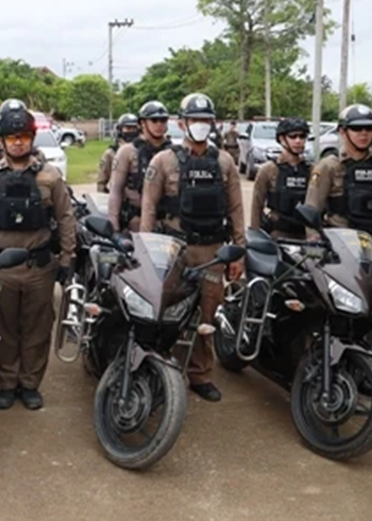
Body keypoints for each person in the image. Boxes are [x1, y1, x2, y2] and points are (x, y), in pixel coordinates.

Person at [0, 103, 75, 410]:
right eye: (13, 137)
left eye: (24, 136)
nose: (19, 142)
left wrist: (67, 260)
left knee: (37, 329)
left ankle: (30, 384)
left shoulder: (50, 177)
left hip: (38, 268)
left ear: (32, 138)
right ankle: (7, 382)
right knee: (2, 328)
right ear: (3, 140)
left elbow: (66, 219)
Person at [140, 93, 245, 402]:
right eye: (194, 120)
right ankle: (162, 367)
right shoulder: (163, 161)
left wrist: (239, 252)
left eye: (205, 120)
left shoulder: (225, 162)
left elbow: (237, 210)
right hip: (176, 251)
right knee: (165, 312)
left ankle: (200, 374)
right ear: (182, 122)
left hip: (212, 252)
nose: (200, 126)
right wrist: (148, 253)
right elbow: (149, 207)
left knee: (207, 314)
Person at [305, 104, 372, 261]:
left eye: (369, 129)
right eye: (357, 129)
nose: (364, 134)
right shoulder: (328, 166)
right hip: (340, 250)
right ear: (343, 132)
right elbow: (312, 210)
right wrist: (316, 248)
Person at [106, 101, 173, 232]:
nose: (159, 124)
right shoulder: (127, 152)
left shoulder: (174, 152)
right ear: (142, 123)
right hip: (135, 222)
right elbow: (116, 190)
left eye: (163, 120)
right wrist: (113, 226)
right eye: (154, 120)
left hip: (167, 223)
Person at [251, 118, 311, 239]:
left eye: (302, 136)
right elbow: (257, 205)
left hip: (306, 234)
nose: (298, 141)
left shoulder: (312, 170)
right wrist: (254, 236)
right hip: (278, 233)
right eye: (293, 137)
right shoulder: (268, 170)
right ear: (282, 139)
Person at [97, 113, 139, 193]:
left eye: (134, 128)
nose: (131, 131)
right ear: (120, 130)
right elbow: (102, 181)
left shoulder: (141, 151)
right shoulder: (110, 154)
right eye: (128, 128)